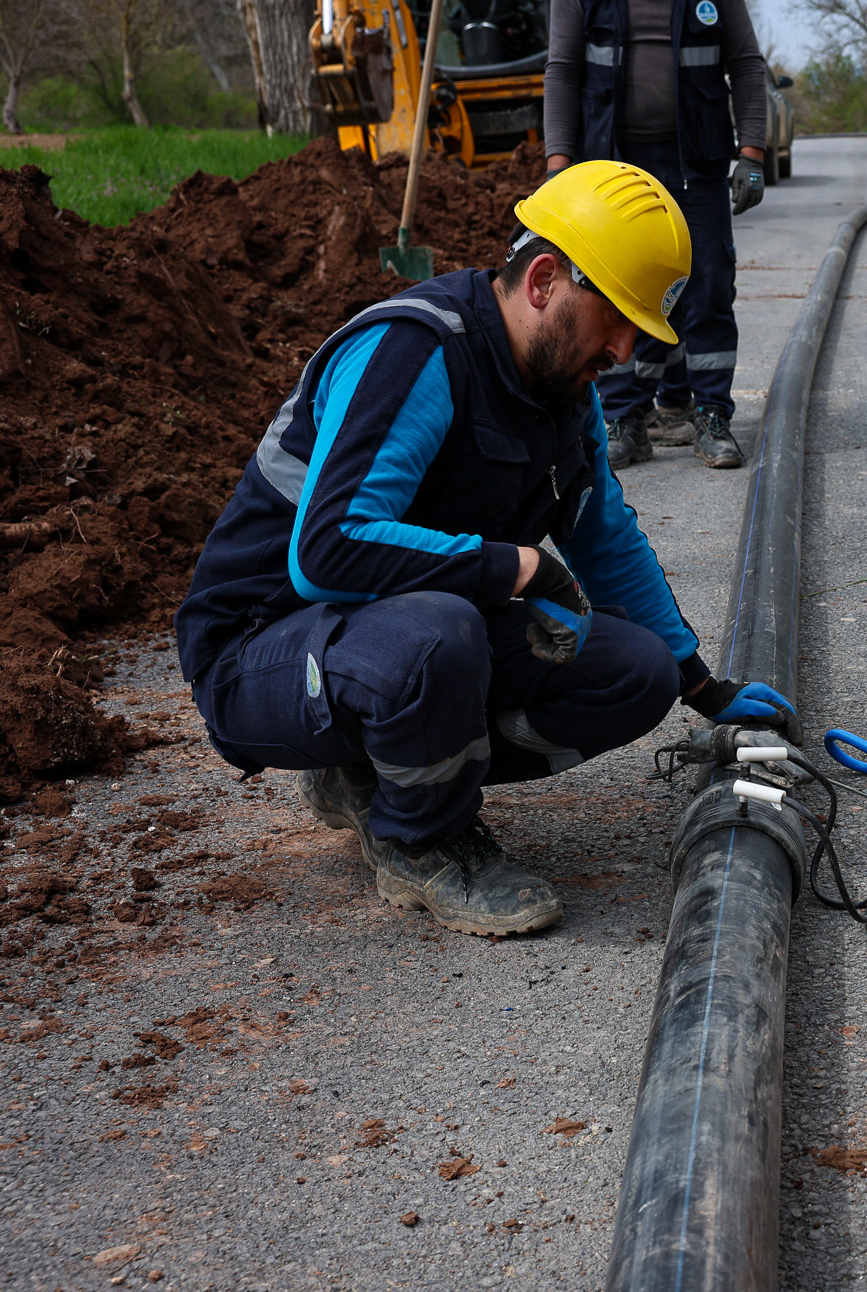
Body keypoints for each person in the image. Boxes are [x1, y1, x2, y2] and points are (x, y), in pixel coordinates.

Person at [174, 163, 793, 938]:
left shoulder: (562, 394)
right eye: (617, 317)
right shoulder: (416, 349)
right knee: (440, 632)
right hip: (261, 648)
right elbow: (328, 550)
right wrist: (518, 566)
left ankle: (369, 771)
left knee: (635, 673)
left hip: (380, 637)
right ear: (543, 280)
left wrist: (700, 686)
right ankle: (420, 837)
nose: (627, 348)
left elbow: (604, 536)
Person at [542, 0, 772, 472]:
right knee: (610, 291)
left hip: (698, 166)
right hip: (613, 173)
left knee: (710, 283)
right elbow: (563, 72)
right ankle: (624, 418)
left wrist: (753, 152)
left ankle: (711, 413)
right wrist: (558, 165)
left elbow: (745, 62)